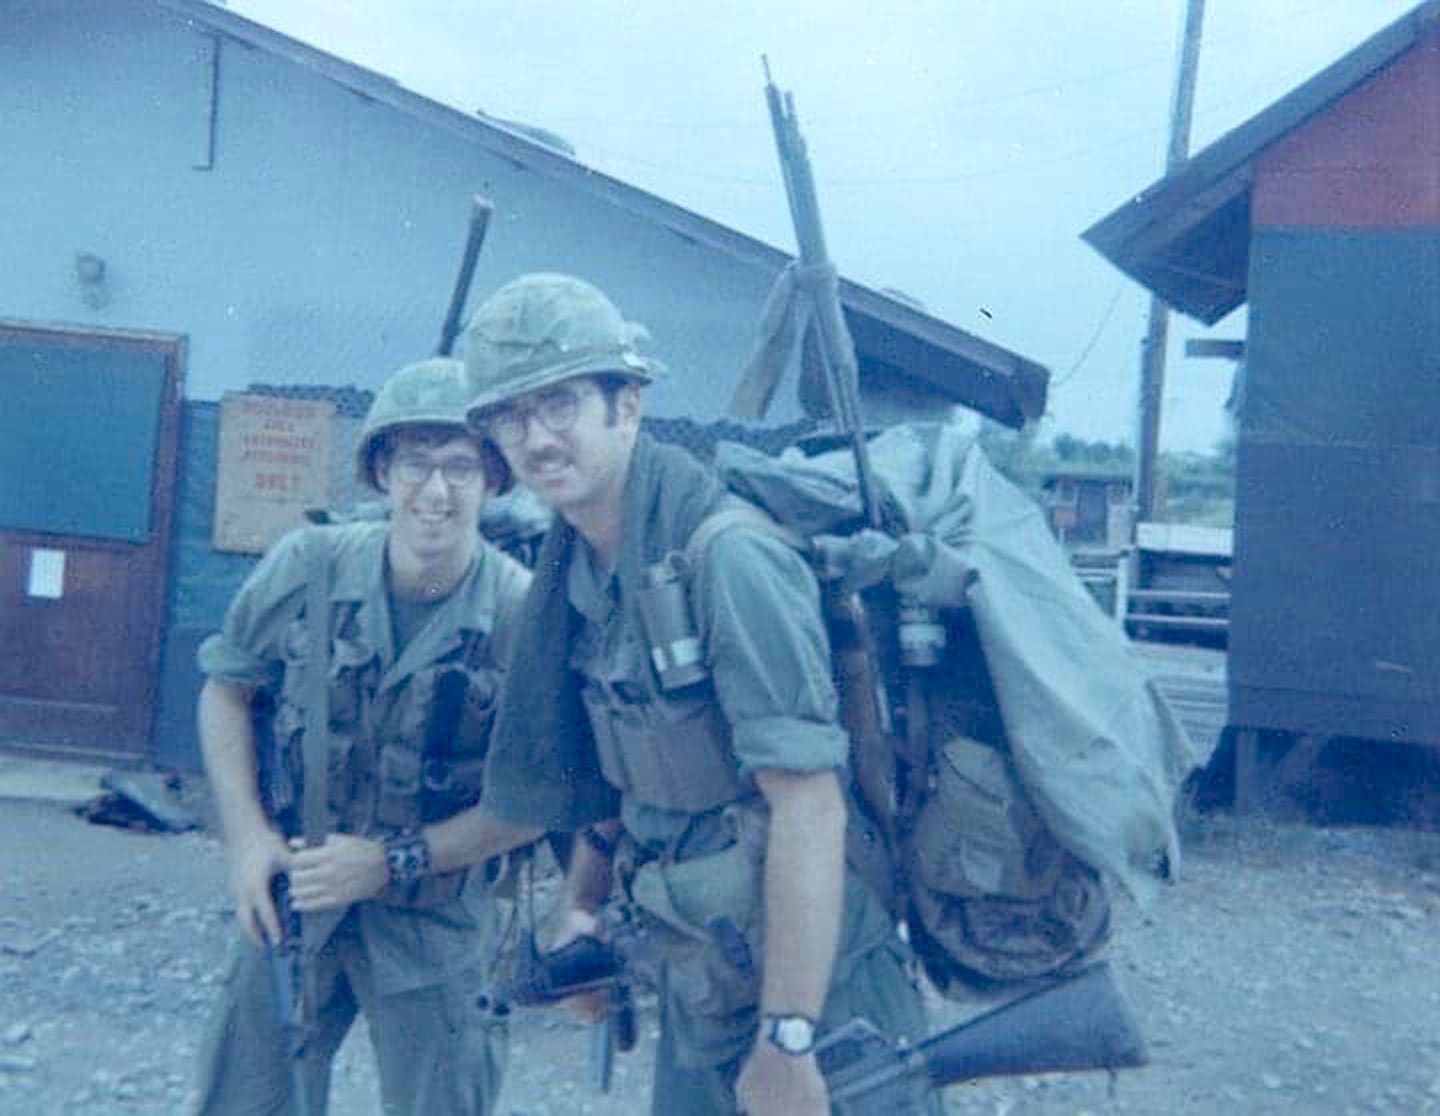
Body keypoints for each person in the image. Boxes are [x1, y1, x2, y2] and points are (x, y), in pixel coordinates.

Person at [460, 273, 933, 1116]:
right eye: (511, 415)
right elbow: (624, 772)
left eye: (560, 403)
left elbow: (810, 808)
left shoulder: (728, 559)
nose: (535, 438)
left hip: (816, 984)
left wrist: (790, 1037)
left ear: (628, 405)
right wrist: (582, 910)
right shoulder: (579, 573)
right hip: (699, 959)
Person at [191, 357, 530, 1116]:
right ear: (382, 470)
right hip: (297, 892)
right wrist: (246, 839)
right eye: (415, 463)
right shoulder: (307, 567)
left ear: (493, 482)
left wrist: (389, 862)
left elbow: (538, 799)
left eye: (461, 468)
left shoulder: (520, 613)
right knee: (242, 1100)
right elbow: (226, 691)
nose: (435, 492)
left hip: (437, 916)